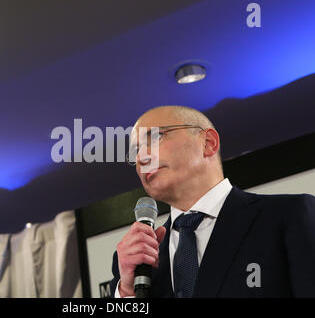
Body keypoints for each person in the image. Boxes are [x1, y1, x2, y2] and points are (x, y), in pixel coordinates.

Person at [110, 105, 315, 298]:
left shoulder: (288, 216)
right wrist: (128, 291)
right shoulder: (135, 263)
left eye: (155, 138)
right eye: (135, 151)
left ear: (208, 143)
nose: (141, 158)